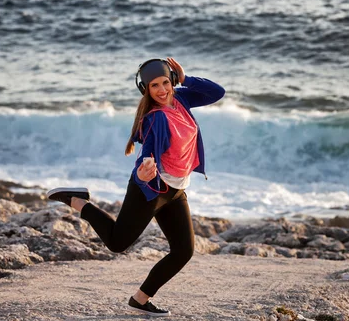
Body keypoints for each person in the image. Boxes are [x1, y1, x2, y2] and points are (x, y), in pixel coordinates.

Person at [47, 57, 225, 317]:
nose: (162, 90)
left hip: (175, 190)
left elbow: (216, 92)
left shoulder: (181, 99)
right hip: (151, 189)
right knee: (118, 243)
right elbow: (148, 152)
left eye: (166, 82)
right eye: (154, 86)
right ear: (145, 89)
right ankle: (77, 201)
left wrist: (186, 79)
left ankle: (140, 299)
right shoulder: (155, 118)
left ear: (173, 80)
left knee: (183, 251)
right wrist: (143, 172)